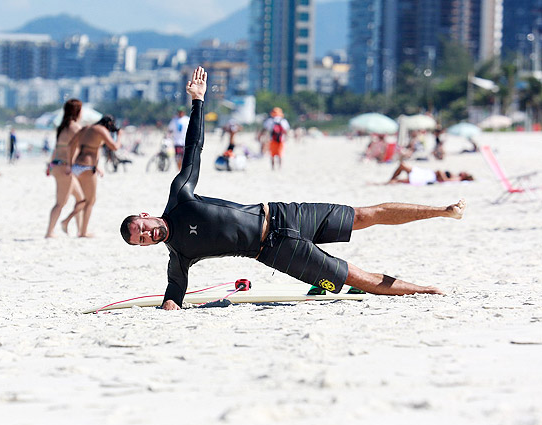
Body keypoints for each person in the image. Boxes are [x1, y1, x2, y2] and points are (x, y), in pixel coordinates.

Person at [119, 67, 467, 310]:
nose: (148, 235)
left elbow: (193, 148)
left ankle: (442, 211)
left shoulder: (179, 198)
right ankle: (427, 288)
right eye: (142, 240)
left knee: (364, 214)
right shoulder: (179, 254)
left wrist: (198, 102)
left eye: (143, 228)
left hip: (282, 212)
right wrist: (169, 306)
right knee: (354, 277)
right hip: (275, 251)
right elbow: (175, 291)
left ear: (146, 216)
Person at [60, 114, 121, 237]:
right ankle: (81, 231)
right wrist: (119, 136)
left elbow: (71, 144)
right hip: (87, 168)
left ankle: (70, 223)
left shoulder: (86, 128)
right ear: (109, 124)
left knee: (82, 200)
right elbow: (114, 147)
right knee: (90, 201)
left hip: (77, 166)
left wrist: (70, 164)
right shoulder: (101, 130)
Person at [45, 99, 88, 238]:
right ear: (77, 112)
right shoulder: (75, 127)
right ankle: (50, 232)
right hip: (65, 168)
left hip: (58, 165)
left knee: (81, 198)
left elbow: (57, 148)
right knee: (60, 203)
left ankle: (81, 231)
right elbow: (79, 148)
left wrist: (50, 165)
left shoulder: (62, 126)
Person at [386, 162, 474, 185]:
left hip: (428, 177)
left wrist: (441, 173)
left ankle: (386, 183)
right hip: (427, 172)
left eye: (465, 173)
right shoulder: (456, 176)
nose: (463, 171)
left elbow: (445, 181)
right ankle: (390, 180)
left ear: (464, 176)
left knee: (399, 181)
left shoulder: (457, 179)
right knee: (402, 165)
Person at [168, 106, 190, 171]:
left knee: (185, 158)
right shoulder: (174, 120)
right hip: (177, 142)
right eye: (179, 112)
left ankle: (183, 170)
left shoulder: (187, 119)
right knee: (178, 157)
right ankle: (179, 170)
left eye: (181, 112)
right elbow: (170, 129)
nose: (180, 113)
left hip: (185, 141)